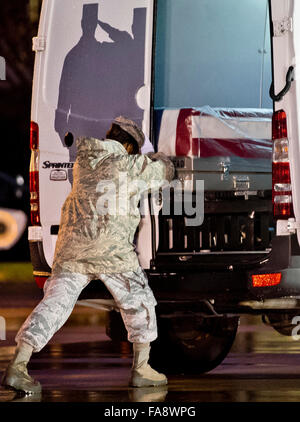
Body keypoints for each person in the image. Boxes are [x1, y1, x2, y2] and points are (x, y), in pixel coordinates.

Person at [1, 117, 175, 394]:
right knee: (139, 302)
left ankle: (18, 366)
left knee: (53, 306)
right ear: (129, 146)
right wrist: (159, 157)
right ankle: (141, 368)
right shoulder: (129, 165)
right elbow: (164, 172)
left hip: (72, 250)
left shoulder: (83, 162)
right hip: (112, 253)